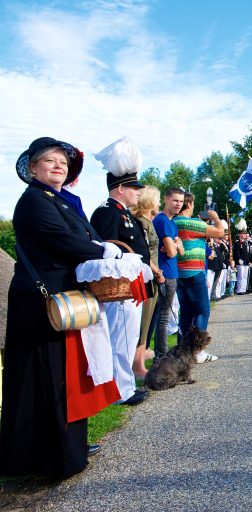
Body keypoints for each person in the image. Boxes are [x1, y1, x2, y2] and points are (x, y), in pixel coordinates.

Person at [1, 137, 122, 478]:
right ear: (34, 167)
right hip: (41, 302)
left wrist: (100, 247)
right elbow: (64, 241)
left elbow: (85, 235)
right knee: (47, 377)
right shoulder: (34, 201)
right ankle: (47, 458)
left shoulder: (59, 200)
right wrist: (103, 252)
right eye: (51, 161)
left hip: (63, 296)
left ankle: (69, 447)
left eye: (63, 163)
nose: (58, 166)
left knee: (66, 377)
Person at [90, 138, 151, 406]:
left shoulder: (124, 213)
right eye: (134, 187)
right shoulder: (107, 212)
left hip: (130, 286)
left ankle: (123, 387)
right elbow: (103, 250)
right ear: (120, 188)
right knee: (120, 339)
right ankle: (120, 391)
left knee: (127, 338)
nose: (138, 192)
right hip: (118, 289)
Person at [174, 192, 226, 361]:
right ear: (189, 204)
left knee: (187, 312)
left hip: (179, 273)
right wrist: (216, 217)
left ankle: (184, 349)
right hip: (194, 272)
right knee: (203, 310)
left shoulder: (174, 221)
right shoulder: (190, 223)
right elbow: (220, 232)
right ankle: (198, 351)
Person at [130, 185, 164, 378]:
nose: (158, 203)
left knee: (148, 321)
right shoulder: (142, 223)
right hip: (147, 276)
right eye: (157, 199)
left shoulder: (147, 222)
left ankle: (140, 361)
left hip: (151, 276)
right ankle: (138, 366)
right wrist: (157, 270)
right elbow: (143, 252)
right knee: (142, 323)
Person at [151, 187, 184, 360]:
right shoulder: (163, 221)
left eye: (181, 201)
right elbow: (171, 252)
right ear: (166, 199)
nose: (178, 204)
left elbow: (181, 251)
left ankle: (158, 354)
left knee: (160, 316)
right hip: (165, 273)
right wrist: (175, 245)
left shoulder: (172, 222)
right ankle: (161, 356)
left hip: (171, 273)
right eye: (175, 200)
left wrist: (175, 244)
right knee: (162, 317)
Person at [233, 230, 252, 295]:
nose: (244, 235)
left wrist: (249, 261)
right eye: (243, 234)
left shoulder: (245, 243)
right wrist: (238, 259)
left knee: (244, 276)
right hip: (240, 262)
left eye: (245, 234)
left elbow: (247, 253)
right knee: (240, 276)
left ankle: (243, 289)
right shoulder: (237, 242)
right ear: (240, 234)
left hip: (246, 262)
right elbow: (236, 252)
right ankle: (239, 290)